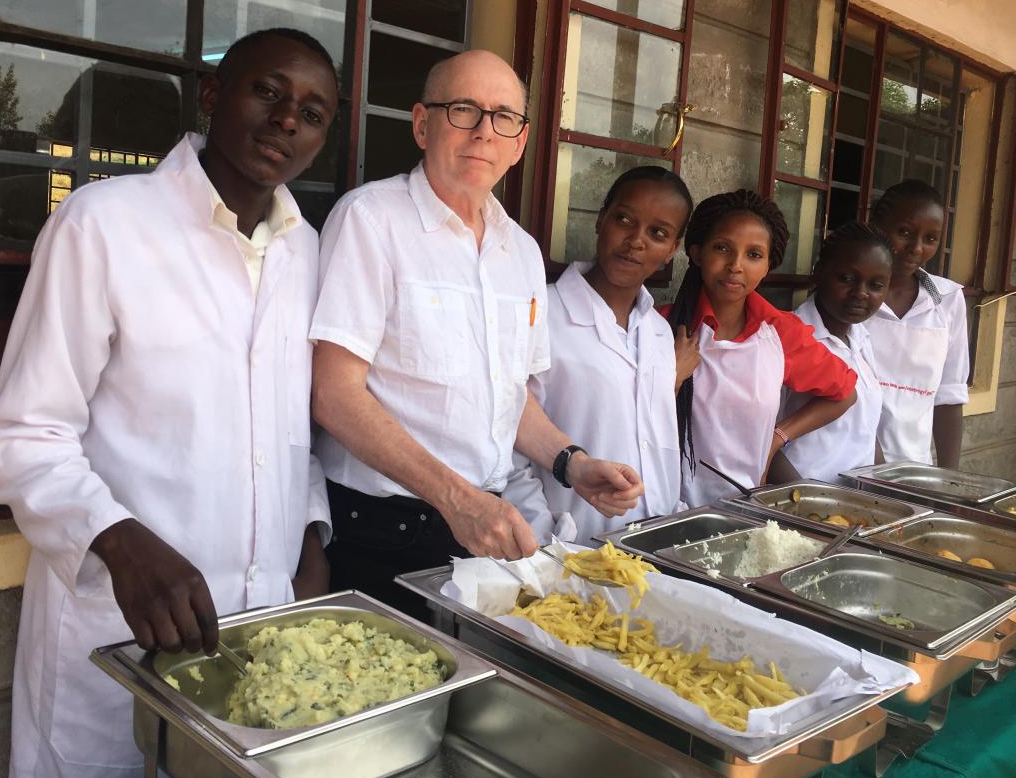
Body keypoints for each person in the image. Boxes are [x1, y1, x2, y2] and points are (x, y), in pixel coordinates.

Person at [0, 28, 339, 778]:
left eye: (311, 112)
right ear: (212, 95)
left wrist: (309, 537)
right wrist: (117, 537)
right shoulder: (104, 224)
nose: (285, 121)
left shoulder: (306, 250)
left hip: (256, 635)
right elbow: (25, 432)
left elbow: (284, 424)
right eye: (266, 92)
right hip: (113, 627)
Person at [309, 49, 644, 617]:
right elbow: (334, 395)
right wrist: (455, 499)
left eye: (504, 117)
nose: (484, 132)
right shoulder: (370, 219)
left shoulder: (522, 252)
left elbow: (510, 399)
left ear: (520, 142)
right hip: (385, 531)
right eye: (463, 109)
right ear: (422, 123)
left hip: (485, 525)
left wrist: (573, 463)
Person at [504, 167, 692, 543]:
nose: (636, 241)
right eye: (624, 219)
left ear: (672, 249)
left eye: (658, 233)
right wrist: (543, 538)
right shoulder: (541, 314)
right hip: (571, 547)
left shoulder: (656, 330)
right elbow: (508, 438)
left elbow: (655, 442)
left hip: (656, 544)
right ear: (600, 220)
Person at [662, 189, 858, 507]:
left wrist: (777, 439)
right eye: (722, 248)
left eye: (754, 255)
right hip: (660, 510)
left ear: (768, 265)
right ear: (697, 253)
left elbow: (845, 393)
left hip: (744, 512)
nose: (735, 266)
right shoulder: (661, 327)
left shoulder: (780, 333)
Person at [865, 180, 969, 468]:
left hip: (913, 471)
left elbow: (949, 396)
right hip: (846, 466)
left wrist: (949, 480)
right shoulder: (852, 300)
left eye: (931, 239)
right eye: (904, 232)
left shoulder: (947, 300)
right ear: (876, 225)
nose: (916, 248)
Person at [778, 222, 891, 482]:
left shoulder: (862, 338)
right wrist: (804, 501)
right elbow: (761, 439)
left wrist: (884, 487)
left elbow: (866, 430)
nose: (861, 293)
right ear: (819, 273)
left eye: (876, 285)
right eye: (846, 278)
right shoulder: (789, 339)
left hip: (855, 504)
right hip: (803, 501)